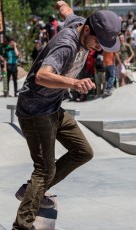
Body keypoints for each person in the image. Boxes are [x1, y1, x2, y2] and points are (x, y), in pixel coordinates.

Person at [12, 1, 121, 229]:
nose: (99, 49)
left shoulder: (79, 22)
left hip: (53, 107)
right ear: (88, 31)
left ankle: (32, 191)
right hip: (34, 110)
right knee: (44, 168)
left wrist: (60, 3)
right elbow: (42, 76)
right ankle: (22, 225)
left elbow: (66, 11)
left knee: (83, 151)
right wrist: (74, 82)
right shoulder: (66, 45)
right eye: (98, 43)